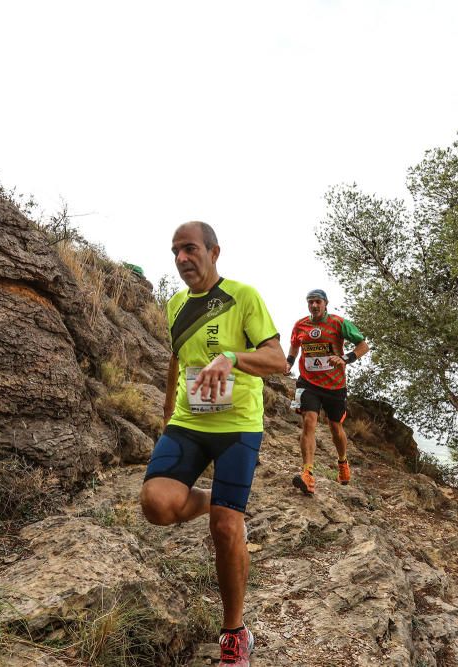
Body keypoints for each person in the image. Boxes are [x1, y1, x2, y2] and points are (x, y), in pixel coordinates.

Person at [139, 221, 285, 667]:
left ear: (213, 252)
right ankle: (214, 501)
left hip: (238, 425)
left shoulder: (244, 297)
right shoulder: (176, 304)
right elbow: (176, 359)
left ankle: (235, 632)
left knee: (225, 530)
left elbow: (278, 360)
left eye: (190, 249)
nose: (182, 258)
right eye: (175, 251)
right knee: (156, 505)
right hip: (188, 422)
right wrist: (167, 415)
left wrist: (233, 357)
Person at [285, 289, 369, 496]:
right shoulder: (300, 325)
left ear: (325, 303)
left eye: (318, 302)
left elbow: (363, 345)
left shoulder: (339, 323)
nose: (314, 306)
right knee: (309, 422)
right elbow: (294, 345)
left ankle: (342, 462)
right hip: (308, 383)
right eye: (311, 302)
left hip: (334, 386)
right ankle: (307, 473)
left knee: (335, 428)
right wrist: (289, 362)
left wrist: (346, 358)